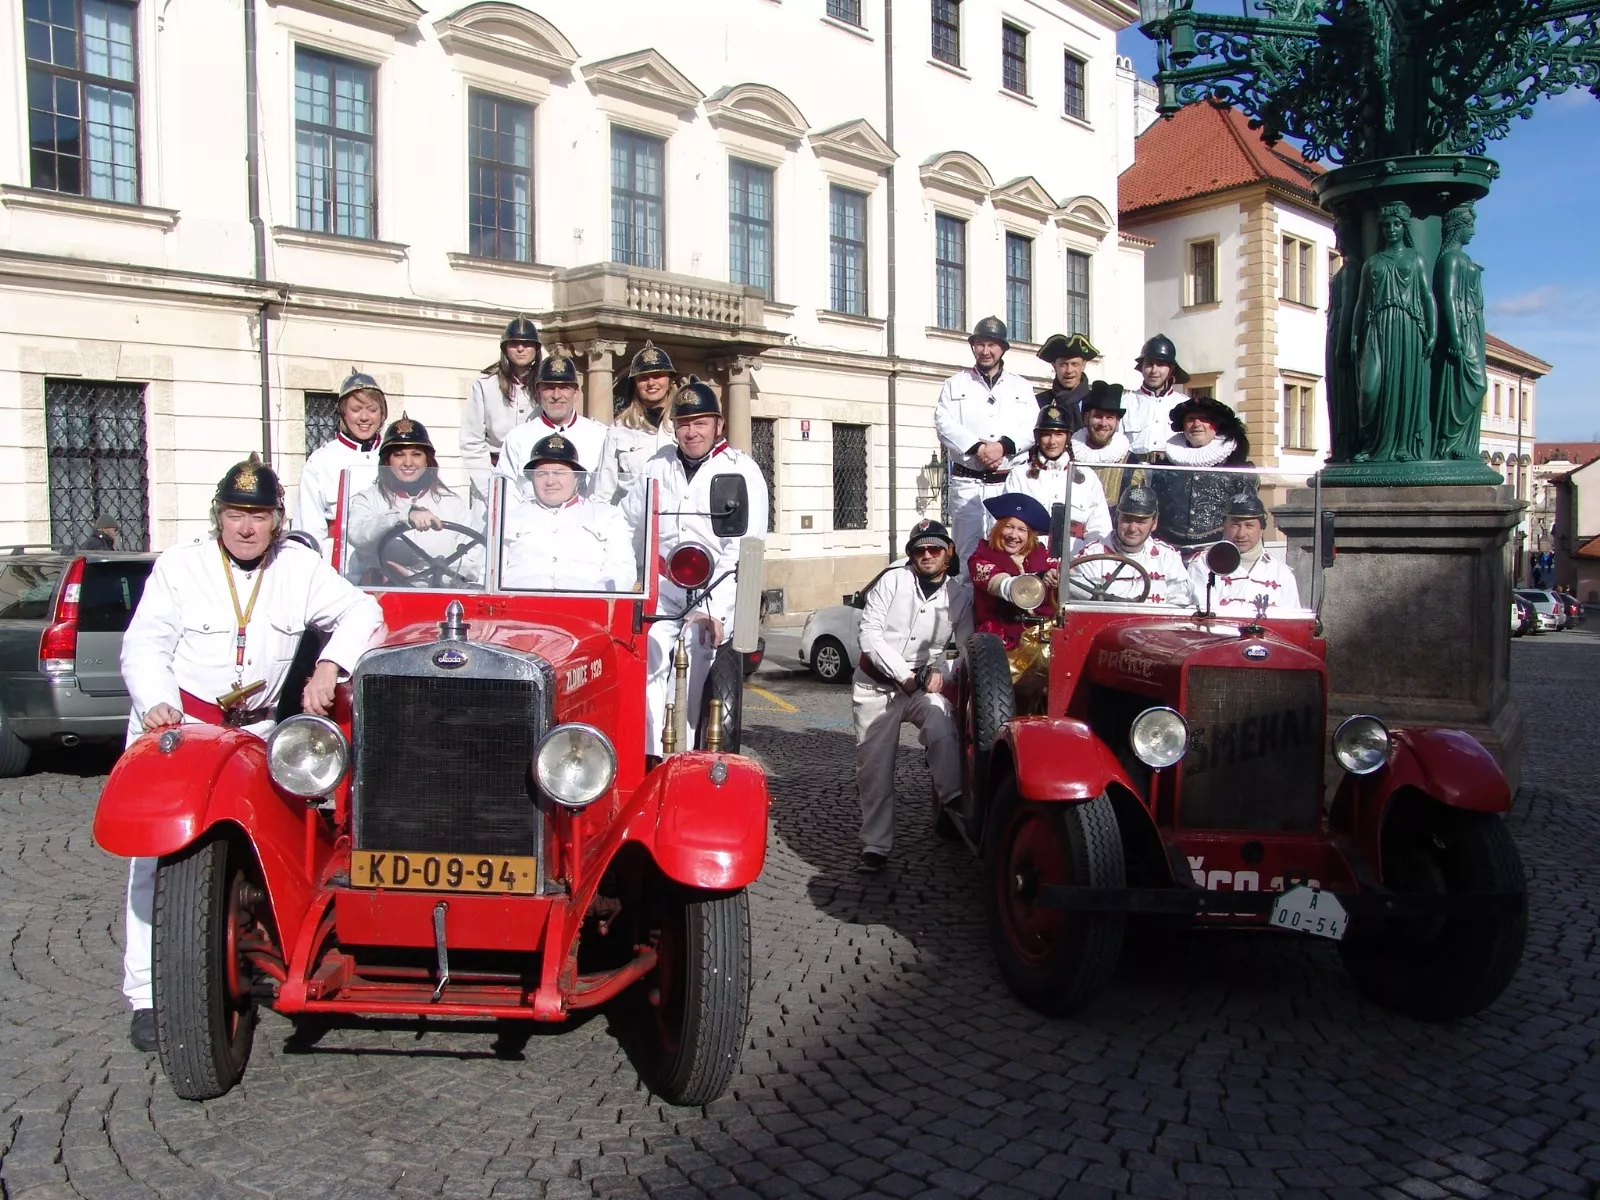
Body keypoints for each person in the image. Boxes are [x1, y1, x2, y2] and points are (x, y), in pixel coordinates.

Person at [117, 455, 384, 1052]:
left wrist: (329, 664)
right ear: (219, 516)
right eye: (237, 514)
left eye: (259, 516)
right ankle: (147, 994)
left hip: (258, 729)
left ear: (276, 521)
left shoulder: (298, 566)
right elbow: (144, 643)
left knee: (280, 840)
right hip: (182, 726)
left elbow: (364, 609)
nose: (246, 528)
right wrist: (158, 703)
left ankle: (265, 950)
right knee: (156, 855)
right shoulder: (181, 566)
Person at [621, 378, 768, 756]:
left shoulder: (741, 471)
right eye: (684, 423)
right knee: (647, 651)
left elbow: (742, 550)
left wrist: (712, 612)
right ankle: (650, 752)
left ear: (718, 425)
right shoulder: (657, 466)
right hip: (663, 589)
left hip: (712, 590)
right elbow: (628, 525)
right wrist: (630, 585)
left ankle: (681, 750)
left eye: (700, 423)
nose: (691, 432)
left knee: (695, 652)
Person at [852, 518, 972, 874]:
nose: (927, 555)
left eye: (935, 548)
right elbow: (869, 635)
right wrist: (904, 676)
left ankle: (954, 799)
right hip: (876, 685)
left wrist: (942, 673)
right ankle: (875, 845)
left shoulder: (959, 596)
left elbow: (966, 651)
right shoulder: (893, 580)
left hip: (920, 684)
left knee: (941, 718)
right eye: (919, 549)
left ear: (948, 554)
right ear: (911, 555)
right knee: (874, 769)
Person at [933, 316, 1039, 561]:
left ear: (1002, 348)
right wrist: (978, 447)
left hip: (1006, 484)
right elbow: (943, 422)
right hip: (967, 484)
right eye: (980, 344)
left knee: (1007, 552)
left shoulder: (1020, 387)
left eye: (991, 345)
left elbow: (1031, 426)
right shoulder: (954, 384)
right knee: (966, 554)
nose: (985, 351)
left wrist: (1003, 447)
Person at [345, 416, 482, 587]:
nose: (408, 463)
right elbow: (358, 535)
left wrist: (422, 578)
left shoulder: (451, 503)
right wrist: (403, 515)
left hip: (441, 595)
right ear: (387, 460)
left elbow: (473, 561)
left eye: (416, 454)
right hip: (384, 595)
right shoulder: (369, 499)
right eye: (399, 455)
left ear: (427, 460)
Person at [1351, 201, 1434, 463]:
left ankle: (1403, 446)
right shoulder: (1372, 263)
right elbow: (1361, 303)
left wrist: (1432, 332)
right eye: (1386, 225)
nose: (1391, 229)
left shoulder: (1415, 259)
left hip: (1407, 329)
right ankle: (1372, 445)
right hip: (1377, 328)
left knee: (1403, 388)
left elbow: (1427, 296)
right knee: (1370, 390)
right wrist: (1354, 335)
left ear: (1404, 226)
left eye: (1396, 224)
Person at [501, 434, 637, 591]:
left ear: (577, 478)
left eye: (559, 473)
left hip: (585, 609)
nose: (550, 481)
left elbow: (621, 571)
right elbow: (490, 573)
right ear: (531, 478)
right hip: (518, 608)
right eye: (541, 474)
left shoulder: (606, 516)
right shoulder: (510, 518)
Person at [1000, 403, 1111, 558]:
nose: (1052, 441)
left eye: (1059, 434)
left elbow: (1100, 529)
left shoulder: (1088, 477)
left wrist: (1084, 560)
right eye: (1046, 434)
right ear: (1037, 437)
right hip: (1029, 559)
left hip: (1076, 562)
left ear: (1068, 437)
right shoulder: (1019, 475)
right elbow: (1007, 525)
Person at [295, 371, 386, 555]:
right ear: (343, 413)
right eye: (356, 409)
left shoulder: (395, 456)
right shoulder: (321, 462)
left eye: (372, 409)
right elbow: (310, 530)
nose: (364, 417)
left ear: (382, 413)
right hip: (341, 569)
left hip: (392, 568)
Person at [1148, 395, 1252, 551]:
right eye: (1191, 419)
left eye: (1203, 419)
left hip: (1217, 550)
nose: (1196, 424)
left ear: (1216, 425)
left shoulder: (1236, 467)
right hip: (1168, 549)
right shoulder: (1164, 466)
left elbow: (1249, 517)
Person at [496, 353, 608, 488]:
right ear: (538, 393)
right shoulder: (518, 438)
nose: (556, 395)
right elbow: (505, 490)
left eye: (564, 387)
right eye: (549, 387)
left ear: (576, 393)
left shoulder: (600, 436)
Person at [1069, 485, 1192, 606]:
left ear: (1154, 523)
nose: (1132, 528)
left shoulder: (1168, 558)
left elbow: (1180, 603)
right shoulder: (1093, 555)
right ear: (1117, 518)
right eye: (1127, 519)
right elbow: (1081, 603)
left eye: (1141, 521)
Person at [461, 315, 541, 499]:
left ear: (536, 348)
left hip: (534, 475)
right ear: (505, 348)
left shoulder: (546, 383)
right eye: (514, 343)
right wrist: (489, 485)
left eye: (527, 343)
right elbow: (471, 439)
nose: (520, 348)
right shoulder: (486, 382)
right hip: (492, 471)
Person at [1188, 493, 1301, 614]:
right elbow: (1206, 617)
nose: (1241, 534)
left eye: (1249, 525)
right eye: (1235, 525)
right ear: (1224, 526)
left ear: (1262, 529)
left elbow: (1291, 621)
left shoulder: (1281, 573)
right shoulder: (1204, 564)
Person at [594, 341, 678, 504]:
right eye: (644, 377)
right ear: (635, 383)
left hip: (674, 521)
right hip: (632, 523)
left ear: (670, 380)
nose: (651, 383)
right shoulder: (619, 429)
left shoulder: (683, 424)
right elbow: (603, 491)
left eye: (658, 375)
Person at [970, 494, 1056, 649]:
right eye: (1008, 526)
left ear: (1030, 535)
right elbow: (1000, 584)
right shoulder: (980, 556)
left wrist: (1057, 578)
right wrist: (1039, 579)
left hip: (1043, 636)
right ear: (998, 529)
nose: (1013, 535)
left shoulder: (1043, 554)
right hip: (998, 642)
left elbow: (1062, 576)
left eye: (1022, 529)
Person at [1071, 381, 1140, 508]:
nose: (1103, 423)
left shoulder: (1131, 462)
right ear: (1086, 418)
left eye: (1109, 417)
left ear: (1117, 422)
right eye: (1098, 416)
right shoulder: (1068, 456)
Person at [1123, 334, 1191, 458]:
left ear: (1171, 369)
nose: (1154, 370)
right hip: (1133, 472)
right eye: (1149, 364)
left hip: (1172, 472)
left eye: (1160, 364)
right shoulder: (1125, 402)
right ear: (1142, 367)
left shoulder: (1185, 405)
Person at [1033, 332, 1100, 429]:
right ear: (1054, 366)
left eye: (1074, 364)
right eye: (1063, 365)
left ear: (1083, 365)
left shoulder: (1096, 402)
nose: (1069, 371)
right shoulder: (1040, 402)